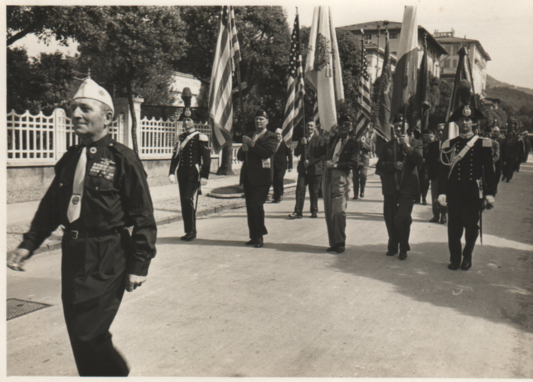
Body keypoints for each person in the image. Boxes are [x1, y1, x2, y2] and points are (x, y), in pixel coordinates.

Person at [7, 78, 157, 376]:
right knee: (78, 330)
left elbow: (143, 215)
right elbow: (51, 209)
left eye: (85, 109)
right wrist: (28, 244)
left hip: (108, 253)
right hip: (73, 252)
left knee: (88, 332)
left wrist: (140, 264)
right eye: (73, 109)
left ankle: (116, 373)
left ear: (107, 118)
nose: (76, 115)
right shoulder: (69, 159)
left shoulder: (123, 158)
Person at [438, 104, 496, 271]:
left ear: (474, 123)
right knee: (454, 227)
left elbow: (489, 170)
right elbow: (443, 171)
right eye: (462, 120)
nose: (465, 123)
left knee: (471, 226)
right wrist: (441, 192)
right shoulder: (450, 144)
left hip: (472, 191)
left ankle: (467, 255)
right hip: (454, 191)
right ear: (457, 123)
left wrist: (490, 193)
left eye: (468, 120)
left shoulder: (482, 143)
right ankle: (455, 259)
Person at [376, 122, 423, 260]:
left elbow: (419, 160)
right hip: (391, 188)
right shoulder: (387, 146)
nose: (398, 128)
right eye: (396, 126)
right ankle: (393, 244)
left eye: (401, 126)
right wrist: (393, 166)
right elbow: (379, 166)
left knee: (401, 217)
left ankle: (403, 247)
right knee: (390, 218)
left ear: (408, 127)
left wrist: (407, 146)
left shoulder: (416, 143)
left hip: (408, 188)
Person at [313, 115, 359, 254]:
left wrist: (336, 165)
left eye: (347, 125)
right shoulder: (331, 140)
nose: (344, 128)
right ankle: (333, 242)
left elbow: (354, 163)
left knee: (339, 211)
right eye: (342, 125)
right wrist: (321, 141)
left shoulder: (353, 143)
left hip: (341, 177)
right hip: (327, 177)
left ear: (351, 128)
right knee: (329, 212)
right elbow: (316, 154)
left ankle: (340, 241)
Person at [237, 109, 279, 248]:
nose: (258, 121)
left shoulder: (271, 137)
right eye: (256, 119)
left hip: (263, 177)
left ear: (267, 121)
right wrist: (243, 149)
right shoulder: (249, 135)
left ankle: (260, 235)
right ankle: (253, 236)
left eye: (261, 119)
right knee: (250, 207)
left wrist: (253, 145)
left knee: (257, 205)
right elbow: (239, 156)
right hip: (248, 176)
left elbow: (268, 152)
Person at [168, 108, 211, 241]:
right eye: (185, 120)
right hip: (182, 172)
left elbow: (206, 158)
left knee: (188, 199)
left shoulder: (200, 137)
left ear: (194, 122)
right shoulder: (180, 137)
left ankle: (192, 230)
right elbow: (175, 156)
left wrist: (204, 176)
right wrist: (171, 172)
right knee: (184, 201)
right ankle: (188, 230)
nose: (186, 122)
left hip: (193, 172)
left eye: (189, 120)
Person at [289, 121, 324, 219]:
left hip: (315, 169)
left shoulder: (319, 139)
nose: (309, 127)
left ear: (315, 127)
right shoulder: (302, 139)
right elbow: (296, 153)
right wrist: (301, 144)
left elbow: (321, 155)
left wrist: (311, 161)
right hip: (303, 170)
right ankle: (298, 211)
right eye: (308, 125)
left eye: (311, 126)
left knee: (314, 191)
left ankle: (314, 210)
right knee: (300, 190)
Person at [427, 123, 447, 223]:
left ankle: (443, 214)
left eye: (442, 130)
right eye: (438, 130)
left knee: (443, 195)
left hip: (445, 174)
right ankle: (435, 215)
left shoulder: (449, 144)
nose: (440, 132)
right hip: (435, 173)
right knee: (434, 195)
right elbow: (429, 160)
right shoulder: (432, 145)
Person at [272, 128, 293, 203]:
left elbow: (290, 155)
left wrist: (290, 166)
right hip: (273, 165)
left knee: (279, 179)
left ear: (282, 135)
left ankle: (280, 194)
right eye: (276, 134)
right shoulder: (273, 143)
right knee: (274, 180)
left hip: (282, 165)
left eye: (279, 134)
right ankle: (276, 196)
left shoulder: (285, 144)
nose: (277, 136)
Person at [351, 128, 372, 199]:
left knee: (363, 176)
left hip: (364, 160)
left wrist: (363, 143)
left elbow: (370, 148)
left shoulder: (368, 139)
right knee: (355, 177)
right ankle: (355, 194)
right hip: (356, 160)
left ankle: (362, 191)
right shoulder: (355, 139)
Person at [418, 129, 433, 205]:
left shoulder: (432, 144)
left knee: (425, 182)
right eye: (425, 136)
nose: (426, 137)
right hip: (418, 165)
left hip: (427, 166)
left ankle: (424, 197)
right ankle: (417, 197)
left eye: (428, 136)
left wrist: (426, 159)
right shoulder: (418, 142)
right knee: (417, 181)